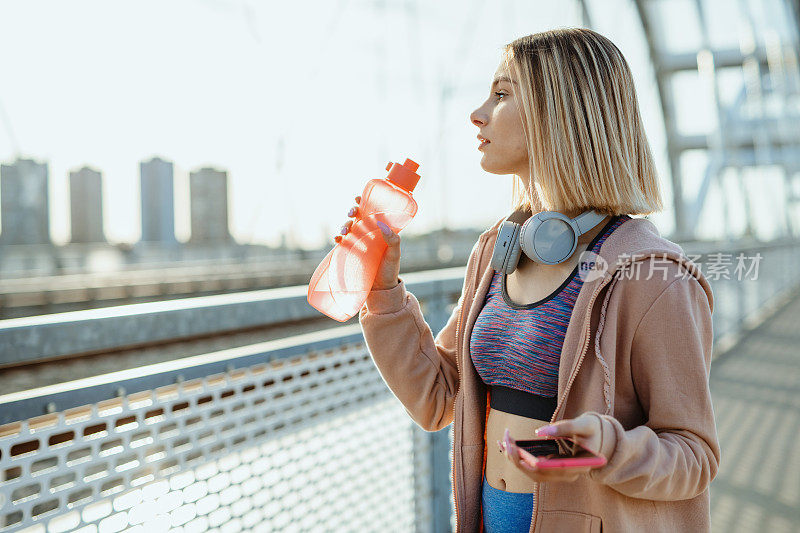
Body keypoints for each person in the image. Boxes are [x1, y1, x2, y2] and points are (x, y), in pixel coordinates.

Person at [336, 28, 718, 533]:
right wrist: (383, 290)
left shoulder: (653, 275)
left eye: (501, 95)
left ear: (559, 111)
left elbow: (694, 454)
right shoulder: (498, 251)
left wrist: (603, 448)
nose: (477, 114)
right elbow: (436, 397)